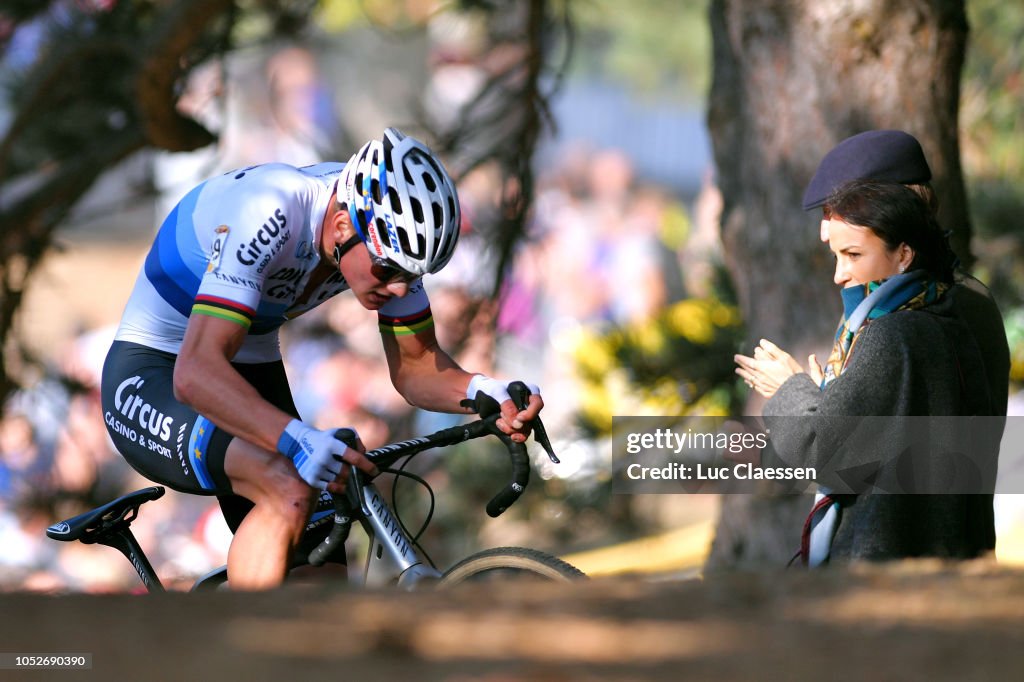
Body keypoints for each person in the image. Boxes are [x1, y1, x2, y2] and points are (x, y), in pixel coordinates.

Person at [100, 128, 543, 590]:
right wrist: (297, 439)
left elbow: (415, 369)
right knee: (286, 487)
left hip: (243, 366)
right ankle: (233, 653)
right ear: (341, 226)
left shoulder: (376, 235)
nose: (397, 287)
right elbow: (194, 376)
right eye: (390, 269)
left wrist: (481, 390)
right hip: (156, 372)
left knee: (323, 574)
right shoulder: (269, 210)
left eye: (411, 275)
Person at [735, 179, 999, 565]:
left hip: (882, 563)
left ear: (904, 253)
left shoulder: (892, 335)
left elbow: (823, 454)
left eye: (854, 255)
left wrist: (789, 388)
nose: (840, 274)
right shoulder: (940, 315)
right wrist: (819, 399)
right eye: (837, 257)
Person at [801, 129, 1010, 416]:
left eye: (835, 210)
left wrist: (800, 395)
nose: (824, 231)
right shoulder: (878, 297)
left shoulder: (947, 304)